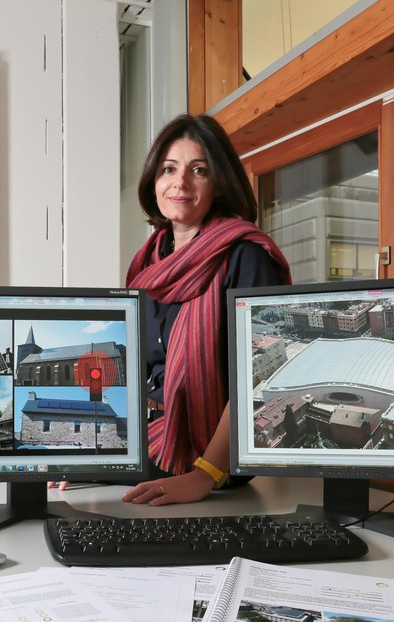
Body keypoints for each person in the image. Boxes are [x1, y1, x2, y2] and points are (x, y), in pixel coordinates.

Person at [120, 113, 291, 506]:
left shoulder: (246, 257)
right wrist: (95, 460)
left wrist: (205, 474)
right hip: (147, 446)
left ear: (218, 184)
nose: (179, 182)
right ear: (154, 180)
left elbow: (259, 377)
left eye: (198, 169)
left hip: (211, 465)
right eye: (168, 169)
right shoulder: (148, 264)